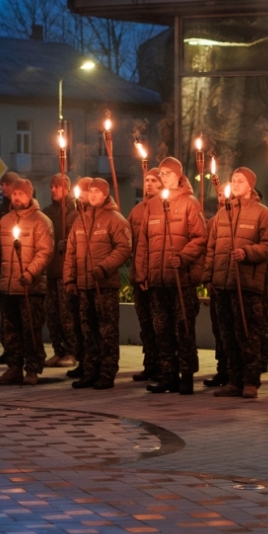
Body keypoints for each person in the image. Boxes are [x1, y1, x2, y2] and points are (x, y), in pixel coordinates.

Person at [206, 167, 268, 399]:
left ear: (250, 185)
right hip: (223, 285)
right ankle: (234, 380)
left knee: (247, 334)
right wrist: (208, 276)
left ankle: (250, 381)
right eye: (234, 180)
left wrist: (247, 252)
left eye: (240, 181)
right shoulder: (222, 215)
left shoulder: (262, 214)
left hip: (246, 285)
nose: (236, 183)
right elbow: (211, 248)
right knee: (227, 335)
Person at [138, 158, 208, 395]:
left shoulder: (190, 203)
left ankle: (186, 375)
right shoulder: (153, 205)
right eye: (163, 173)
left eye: (169, 173)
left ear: (179, 176)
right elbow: (144, 242)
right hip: (158, 280)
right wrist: (143, 271)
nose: (165, 176)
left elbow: (201, 237)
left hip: (181, 279)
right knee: (161, 328)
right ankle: (168, 374)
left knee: (183, 328)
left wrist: (184, 256)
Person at [64, 178, 133, 388]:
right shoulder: (80, 220)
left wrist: (104, 268)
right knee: (88, 329)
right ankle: (90, 370)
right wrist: (69, 279)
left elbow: (124, 248)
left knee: (107, 330)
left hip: (104, 286)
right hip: (84, 286)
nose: (93, 195)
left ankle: (107, 371)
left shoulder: (115, 219)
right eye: (90, 191)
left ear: (105, 195)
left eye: (97, 191)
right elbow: (71, 251)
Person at [0, 176, 55, 386]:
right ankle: (14, 367)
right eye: (14, 194)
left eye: (21, 194)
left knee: (31, 330)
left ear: (29, 195)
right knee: (10, 330)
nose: (16, 197)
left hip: (30, 288)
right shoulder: (5, 221)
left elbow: (45, 252)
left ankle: (32, 369)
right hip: (8, 287)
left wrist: (30, 273)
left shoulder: (41, 221)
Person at [128, 168, 169, 386]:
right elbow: (133, 243)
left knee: (160, 325)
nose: (149, 184)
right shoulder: (136, 211)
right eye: (147, 180)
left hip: (156, 276)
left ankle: (165, 366)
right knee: (145, 324)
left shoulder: (166, 207)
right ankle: (150, 363)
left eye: (154, 180)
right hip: (139, 275)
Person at [45, 173, 80, 371]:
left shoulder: (74, 213)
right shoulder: (48, 212)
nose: (53, 190)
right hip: (50, 270)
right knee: (52, 314)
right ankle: (58, 349)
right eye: (51, 186)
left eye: (57, 187)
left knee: (67, 315)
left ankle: (72, 351)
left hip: (65, 272)